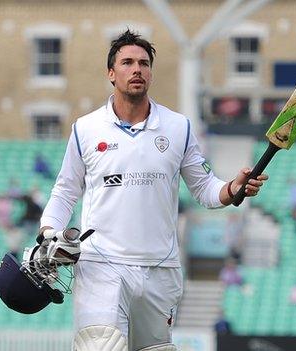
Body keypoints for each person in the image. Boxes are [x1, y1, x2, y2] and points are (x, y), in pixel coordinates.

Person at [37, 30, 267, 351]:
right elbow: (64, 192)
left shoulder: (178, 127)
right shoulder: (85, 128)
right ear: (111, 73)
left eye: (144, 63)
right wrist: (49, 232)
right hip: (102, 265)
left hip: (161, 269)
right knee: (100, 346)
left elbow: (205, 189)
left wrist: (234, 187)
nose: (137, 70)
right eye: (127, 62)